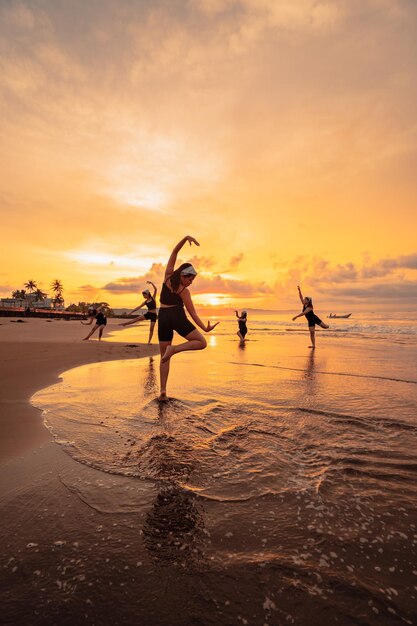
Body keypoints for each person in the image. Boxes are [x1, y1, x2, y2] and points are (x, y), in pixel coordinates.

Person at [157, 235, 219, 401]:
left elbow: (174, 252)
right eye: (190, 278)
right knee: (202, 342)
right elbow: (193, 314)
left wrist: (185, 239)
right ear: (183, 275)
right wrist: (205, 329)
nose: (191, 282)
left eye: (192, 279)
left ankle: (163, 391)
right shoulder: (184, 292)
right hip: (176, 316)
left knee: (164, 356)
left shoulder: (167, 277)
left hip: (162, 317)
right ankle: (175, 350)